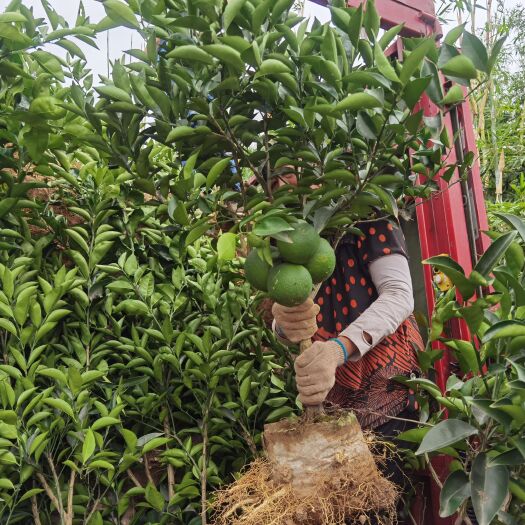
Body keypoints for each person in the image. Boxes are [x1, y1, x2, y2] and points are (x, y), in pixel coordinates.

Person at [272, 215, 424, 519]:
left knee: (379, 507)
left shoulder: (369, 212)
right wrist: (283, 324)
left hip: (385, 396)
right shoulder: (286, 233)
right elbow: (295, 309)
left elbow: (398, 295)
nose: (283, 178)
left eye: (292, 167)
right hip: (333, 406)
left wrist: (339, 349)